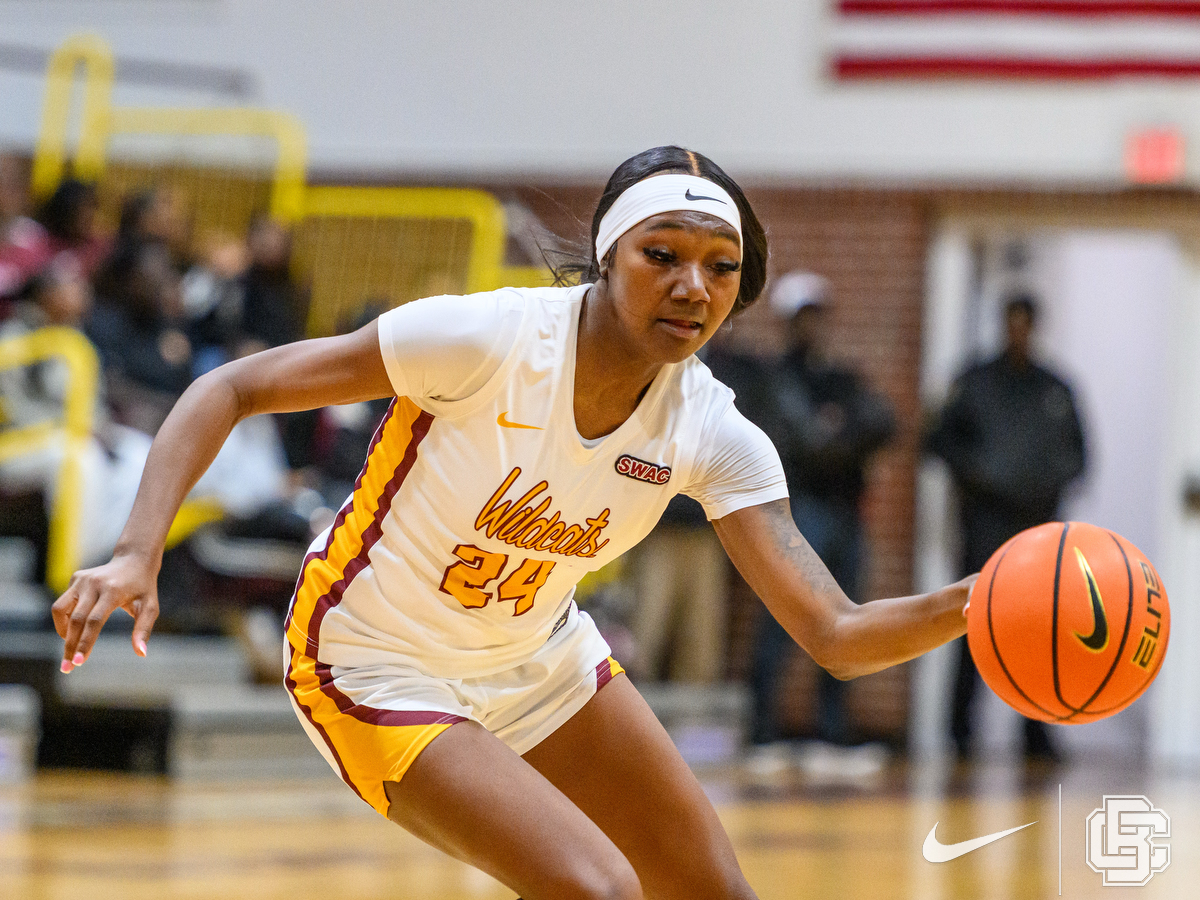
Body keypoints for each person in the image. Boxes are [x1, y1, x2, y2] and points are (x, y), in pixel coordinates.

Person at [51, 146, 972, 900]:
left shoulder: (714, 429)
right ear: (609, 257)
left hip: (540, 661)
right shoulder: (488, 339)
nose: (694, 286)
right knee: (597, 889)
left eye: (721, 268)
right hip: (373, 660)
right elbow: (235, 384)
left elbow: (839, 635)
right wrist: (137, 552)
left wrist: (982, 600)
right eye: (663, 256)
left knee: (713, 892)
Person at [711, 272, 896, 770]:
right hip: (796, 512)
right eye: (802, 317)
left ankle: (832, 736)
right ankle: (764, 735)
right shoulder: (772, 378)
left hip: (845, 515)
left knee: (848, 617)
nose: (811, 325)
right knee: (783, 619)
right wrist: (837, 438)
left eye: (818, 314)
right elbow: (800, 443)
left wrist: (833, 436)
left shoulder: (841, 376)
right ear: (787, 323)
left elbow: (884, 423)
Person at [927, 293, 1086, 763]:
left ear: (1035, 327)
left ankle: (1037, 733)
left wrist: (1042, 483)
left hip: (1037, 531)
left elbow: (1078, 455)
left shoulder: (1055, 388)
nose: (1018, 330)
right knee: (973, 622)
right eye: (1011, 322)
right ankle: (959, 734)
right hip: (983, 524)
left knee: (1041, 630)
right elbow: (938, 441)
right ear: (1003, 324)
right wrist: (982, 475)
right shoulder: (973, 381)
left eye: (1026, 323)